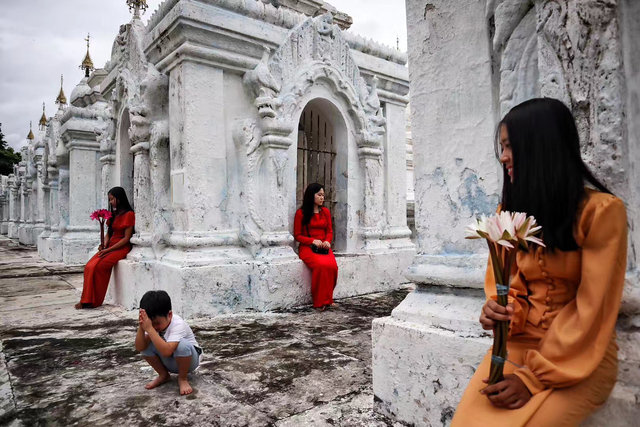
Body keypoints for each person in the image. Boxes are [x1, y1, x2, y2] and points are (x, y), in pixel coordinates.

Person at [452, 98, 627, 426]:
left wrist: (532, 380)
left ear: (539, 147)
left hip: (580, 359)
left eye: (509, 147)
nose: (502, 157)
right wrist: (499, 310)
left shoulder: (601, 213)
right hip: (516, 349)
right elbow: (505, 288)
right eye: (502, 147)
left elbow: (594, 309)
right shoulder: (509, 216)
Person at [75, 186, 135, 309]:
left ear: (119, 198)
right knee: (89, 266)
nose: (110, 202)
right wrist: (104, 244)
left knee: (100, 266)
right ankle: (86, 299)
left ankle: (95, 301)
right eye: (109, 199)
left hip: (121, 247)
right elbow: (109, 233)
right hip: (110, 246)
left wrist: (109, 249)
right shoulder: (113, 215)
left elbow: (126, 238)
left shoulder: (129, 214)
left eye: (112, 199)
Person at [135, 290, 202, 396]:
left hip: (189, 361)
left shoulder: (178, 324)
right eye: (151, 324)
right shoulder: (150, 325)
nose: (154, 327)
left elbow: (167, 352)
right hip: (171, 361)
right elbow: (140, 347)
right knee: (146, 345)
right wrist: (142, 327)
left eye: (157, 323)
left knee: (182, 345)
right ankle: (163, 375)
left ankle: (182, 379)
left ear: (169, 315)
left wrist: (150, 330)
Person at [293, 183, 339, 310]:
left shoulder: (325, 212)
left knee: (333, 267)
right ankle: (319, 302)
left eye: (323, 195)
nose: (322, 198)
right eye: (319, 195)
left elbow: (329, 231)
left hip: (324, 248)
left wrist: (328, 241)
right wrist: (312, 241)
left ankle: (328, 299)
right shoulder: (301, 213)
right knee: (321, 266)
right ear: (310, 195)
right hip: (308, 248)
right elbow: (297, 235)